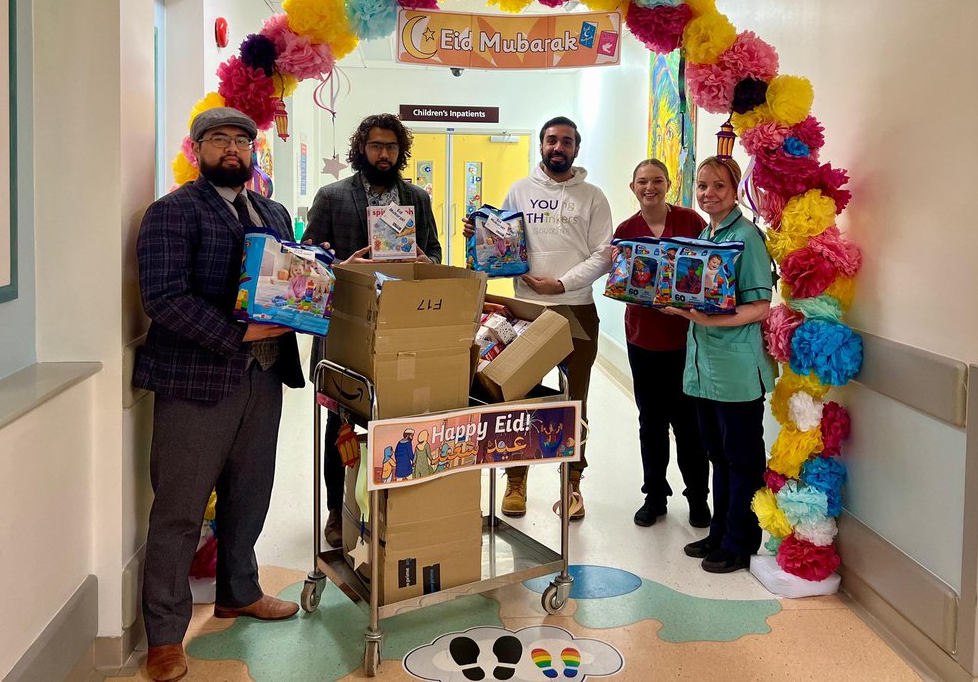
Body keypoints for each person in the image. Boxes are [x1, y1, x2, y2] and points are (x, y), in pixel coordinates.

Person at [134, 107, 303, 682]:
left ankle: (239, 590)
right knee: (179, 511)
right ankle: (163, 637)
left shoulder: (275, 212)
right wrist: (239, 333)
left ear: (254, 150)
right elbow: (162, 298)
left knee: (249, 496)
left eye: (241, 140)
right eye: (218, 140)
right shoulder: (172, 213)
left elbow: (290, 278)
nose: (231, 149)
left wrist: (329, 274)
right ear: (197, 148)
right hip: (196, 382)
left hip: (265, 378)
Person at [303, 113, 442, 546]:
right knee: (339, 421)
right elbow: (306, 262)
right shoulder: (332, 196)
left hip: (404, 329)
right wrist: (344, 267)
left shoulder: (416, 198)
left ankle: (394, 507)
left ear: (401, 151)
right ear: (361, 148)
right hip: (345, 329)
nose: (384, 154)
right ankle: (336, 510)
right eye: (376, 146)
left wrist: (425, 260)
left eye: (392, 147)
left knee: (400, 422)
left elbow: (437, 255)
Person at [465, 116, 612, 520]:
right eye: (551, 140)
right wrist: (479, 239)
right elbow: (502, 243)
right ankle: (516, 480)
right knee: (518, 397)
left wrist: (561, 285)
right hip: (525, 311)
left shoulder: (593, 197)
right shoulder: (519, 191)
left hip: (576, 308)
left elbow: (604, 254)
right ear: (542, 146)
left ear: (577, 148)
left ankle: (572, 486)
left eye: (566, 141)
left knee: (574, 401)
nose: (557, 147)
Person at [663, 156, 774, 574]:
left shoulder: (747, 238)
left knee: (741, 457)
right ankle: (720, 531)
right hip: (702, 367)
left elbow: (760, 307)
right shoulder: (706, 235)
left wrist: (706, 318)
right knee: (716, 453)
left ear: (735, 191)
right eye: (703, 186)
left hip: (736, 371)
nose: (709, 194)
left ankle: (740, 542)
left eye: (719, 187)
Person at [613, 159, 711, 529]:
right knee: (650, 422)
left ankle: (698, 498)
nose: (649, 187)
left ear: (669, 184)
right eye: (642, 181)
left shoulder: (691, 222)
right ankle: (654, 495)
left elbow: (710, 273)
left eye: (657, 181)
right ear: (633, 187)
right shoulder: (626, 231)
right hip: (644, 340)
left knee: (689, 425)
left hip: (686, 340)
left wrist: (686, 303)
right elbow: (621, 287)